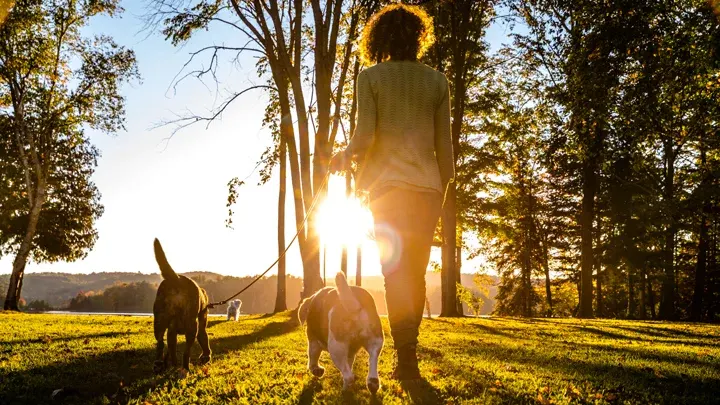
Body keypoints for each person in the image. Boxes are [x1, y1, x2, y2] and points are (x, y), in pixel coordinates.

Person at [329, 4, 454, 381]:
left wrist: (343, 155)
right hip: (428, 189)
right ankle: (407, 356)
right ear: (419, 38)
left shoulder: (371, 79)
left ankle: (407, 357)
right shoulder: (437, 81)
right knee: (414, 273)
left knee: (394, 271)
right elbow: (445, 150)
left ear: (378, 39)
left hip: (387, 189)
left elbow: (365, 136)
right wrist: (441, 193)